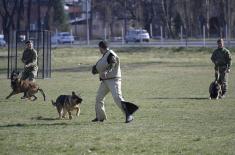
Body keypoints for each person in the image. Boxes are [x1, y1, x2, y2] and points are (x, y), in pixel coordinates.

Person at [91, 41, 138, 123]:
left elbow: (113, 63)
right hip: (105, 81)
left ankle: (129, 115)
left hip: (113, 80)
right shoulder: (105, 55)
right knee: (99, 98)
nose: (99, 50)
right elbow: (100, 66)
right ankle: (100, 117)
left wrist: (107, 71)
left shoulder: (111, 54)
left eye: (99, 48)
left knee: (117, 98)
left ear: (101, 47)